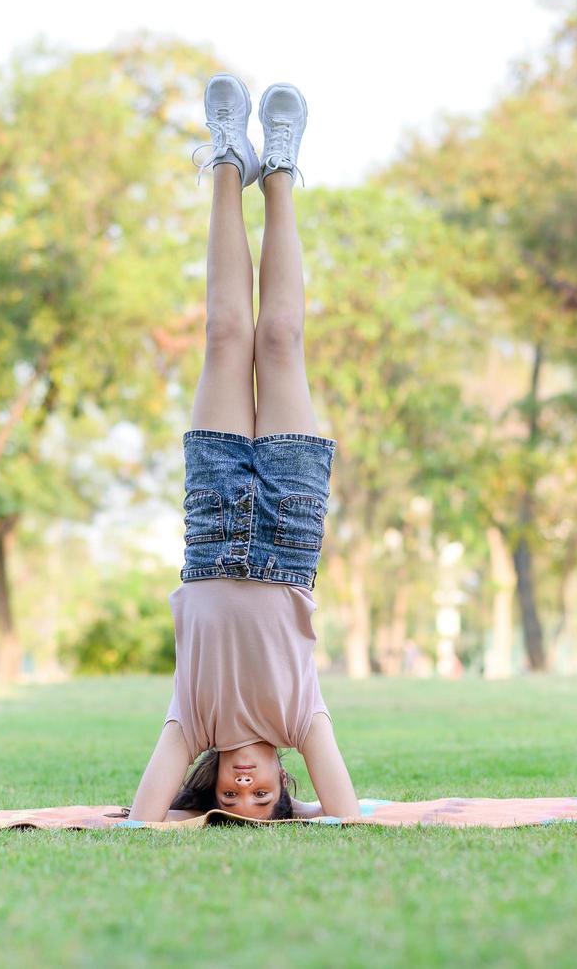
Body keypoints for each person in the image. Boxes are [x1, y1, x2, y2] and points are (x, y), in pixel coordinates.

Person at [126, 74, 362, 823]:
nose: (245, 785)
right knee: (281, 340)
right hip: (287, 531)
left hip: (213, 524)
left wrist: (179, 819)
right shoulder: (302, 722)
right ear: (288, 783)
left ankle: (228, 159)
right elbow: (349, 815)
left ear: (210, 781)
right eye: (263, 796)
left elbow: (141, 819)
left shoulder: (189, 725)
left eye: (230, 795)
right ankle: (283, 173)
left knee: (226, 337)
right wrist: (318, 811)